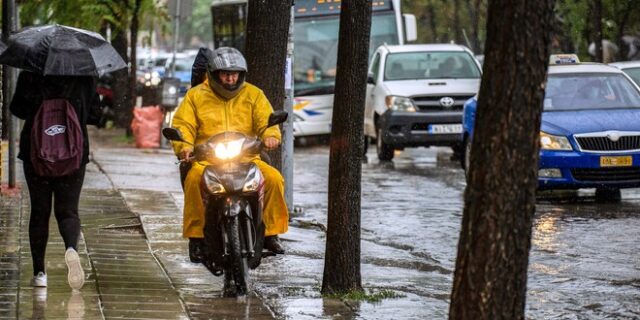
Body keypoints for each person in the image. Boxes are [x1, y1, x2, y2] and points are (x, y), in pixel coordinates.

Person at [170, 47, 289, 262]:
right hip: (207, 160)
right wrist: (184, 147)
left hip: (247, 158)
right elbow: (183, 125)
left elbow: (266, 120)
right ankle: (196, 238)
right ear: (213, 74)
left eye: (234, 74)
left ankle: (271, 233)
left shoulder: (254, 94)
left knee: (273, 179)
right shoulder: (195, 96)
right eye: (225, 74)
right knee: (193, 180)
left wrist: (271, 135)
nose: (230, 78)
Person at [10, 71, 102, 290]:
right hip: (74, 153)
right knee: (68, 211)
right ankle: (70, 248)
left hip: (36, 153)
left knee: (40, 212)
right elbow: (95, 116)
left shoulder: (32, 72)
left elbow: (17, 109)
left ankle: (40, 273)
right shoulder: (85, 75)